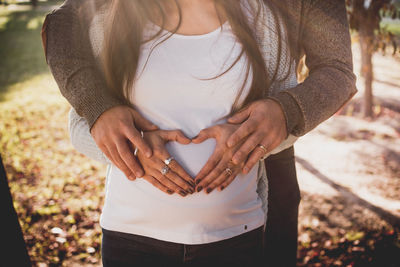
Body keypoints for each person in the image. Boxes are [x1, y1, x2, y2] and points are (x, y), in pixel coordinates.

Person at [42, 0, 357, 266]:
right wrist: (97, 106)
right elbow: (62, 24)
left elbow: (337, 70)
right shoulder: (124, 18)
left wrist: (288, 111)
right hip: (133, 228)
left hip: (261, 174)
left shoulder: (265, 26)